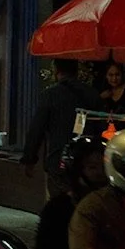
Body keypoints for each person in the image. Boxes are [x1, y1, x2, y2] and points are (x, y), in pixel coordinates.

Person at [36, 139, 107, 249]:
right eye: (92, 168)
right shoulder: (58, 210)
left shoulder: (114, 207)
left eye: (103, 167)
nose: (100, 174)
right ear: (76, 171)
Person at [21, 59, 85, 187]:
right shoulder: (91, 94)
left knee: (58, 202)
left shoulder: (50, 95)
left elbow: (37, 129)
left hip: (57, 159)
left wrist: (29, 159)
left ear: (56, 70)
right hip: (86, 161)